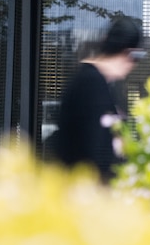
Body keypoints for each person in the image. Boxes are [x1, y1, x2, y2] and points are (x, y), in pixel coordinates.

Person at [49, 16, 145, 183]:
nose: (134, 64)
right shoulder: (92, 84)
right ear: (127, 53)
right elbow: (95, 149)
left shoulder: (94, 80)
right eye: (137, 56)